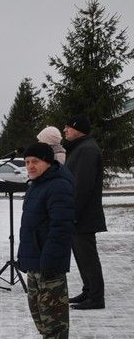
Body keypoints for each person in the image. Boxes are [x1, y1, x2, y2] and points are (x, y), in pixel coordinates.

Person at [17, 142, 75, 339]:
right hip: (36, 255)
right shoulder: (38, 184)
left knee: (53, 307)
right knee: (39, 304)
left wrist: (50, 258)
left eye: (35, 162)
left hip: (48, 257)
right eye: (27, 162)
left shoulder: (58, 186)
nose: (30, 166)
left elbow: (61, 226)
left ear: (48, 162)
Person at [63, 114, 106, 310]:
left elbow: (82, 186)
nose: (65, 130)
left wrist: (72, 213)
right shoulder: (80, 148)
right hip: (79, 215)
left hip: (83, 215)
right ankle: (88, 290)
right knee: (81, 256)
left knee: (88, 256)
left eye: (68, 127)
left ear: (79, 129)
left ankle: (96, 297)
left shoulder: (87, 150)